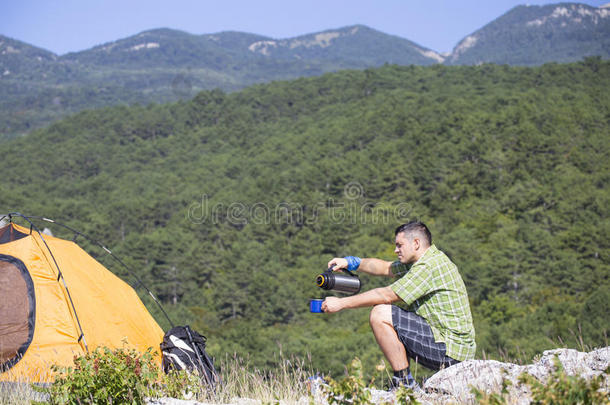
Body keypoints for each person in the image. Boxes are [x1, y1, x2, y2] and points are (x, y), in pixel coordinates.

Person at [322, 221, 475, 389]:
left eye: (399, 245)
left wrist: (340, 303)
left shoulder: (428, 266)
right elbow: (386, 268)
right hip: (447, 344)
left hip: (450, 351)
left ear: (416, 243)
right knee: (388, 314)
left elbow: (386, 295)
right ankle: (404, 382)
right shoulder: (425, 259)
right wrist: (351, 262)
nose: (396, 250)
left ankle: (404, 384)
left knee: (380, 313)